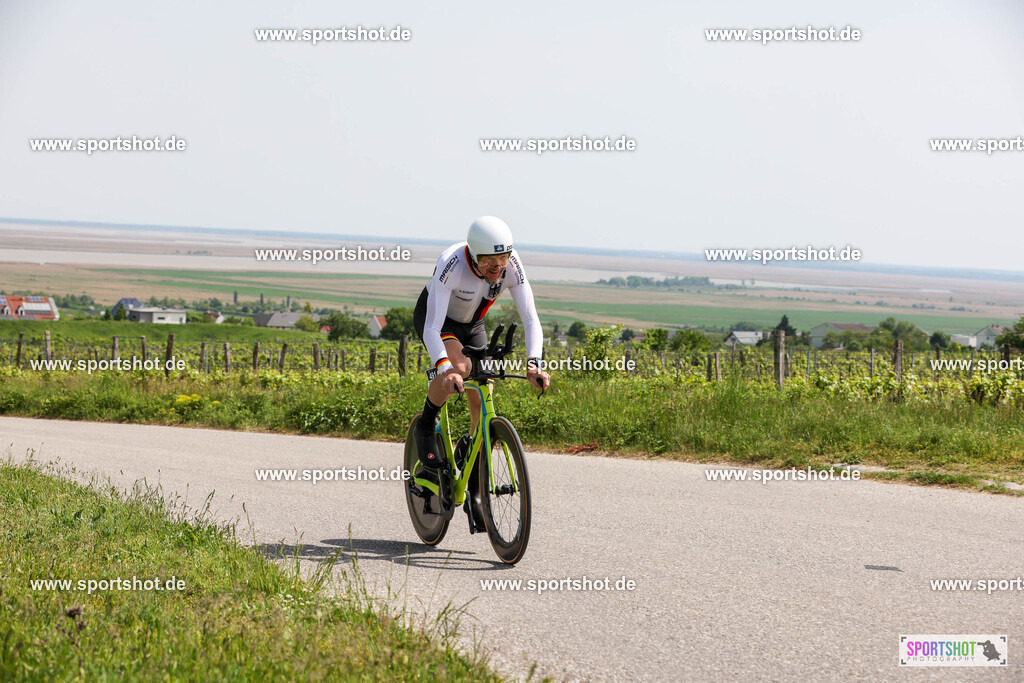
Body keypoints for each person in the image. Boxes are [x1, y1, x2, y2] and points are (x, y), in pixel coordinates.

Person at [413, 216, 551, 529]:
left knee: (483, 394)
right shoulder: (452, 264)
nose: (498, 266)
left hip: (473, 324)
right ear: (474, 256)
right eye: (490, 260)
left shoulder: (512, 265)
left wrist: (534, 362)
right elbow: (432, 327)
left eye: (502, 258)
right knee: (460, 368)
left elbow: (531, 319)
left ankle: (474, 485)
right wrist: (445, 368)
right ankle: (426, 422)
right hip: (438, 320)